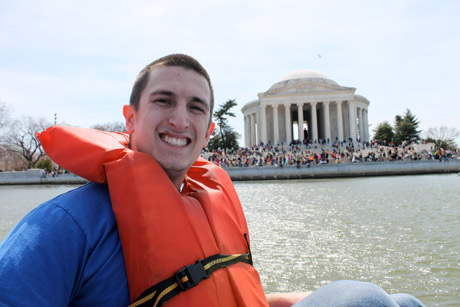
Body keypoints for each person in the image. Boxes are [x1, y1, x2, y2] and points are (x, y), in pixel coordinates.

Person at [0, 54, 425, 307]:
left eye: (196, 108)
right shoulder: (65, 226)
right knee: (365, 298)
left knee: (401, 302)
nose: (180, 119)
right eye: (163, 100)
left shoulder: (211, 202)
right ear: (130, 117)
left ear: (207, 132)